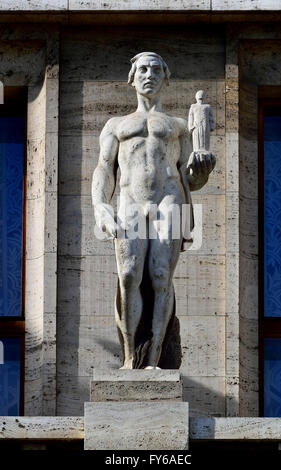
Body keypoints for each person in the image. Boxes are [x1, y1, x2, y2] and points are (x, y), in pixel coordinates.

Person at [92, 52, 216, 369]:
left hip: (168, 196)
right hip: (130, 199)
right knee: (129, 275)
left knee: (162, 275)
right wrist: (100, 206)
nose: (150, 74)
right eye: (143, 69)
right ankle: (131, 357)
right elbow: (104, 170)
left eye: (157, 69)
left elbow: (189, 174)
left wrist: (202, 171)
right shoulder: (116, 125)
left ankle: (156, 356)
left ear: (166, 78)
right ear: (132, 77)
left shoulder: (177, 126)